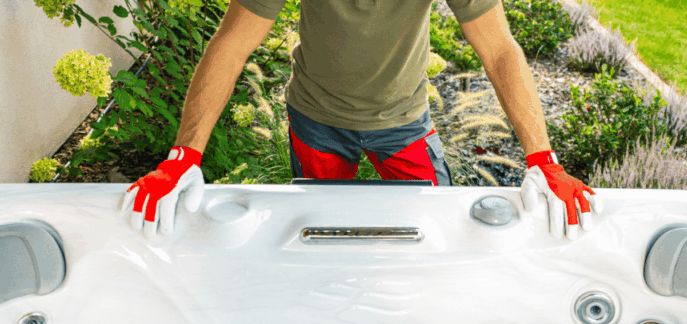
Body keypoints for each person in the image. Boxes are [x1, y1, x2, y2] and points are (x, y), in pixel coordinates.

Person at [121, 0, 602, 239]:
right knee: (319, 234)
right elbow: (231, 43)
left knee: (436, 232)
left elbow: (499, 50)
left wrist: (544, 158)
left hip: (404, 122)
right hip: (316, 121)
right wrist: (182, 156)